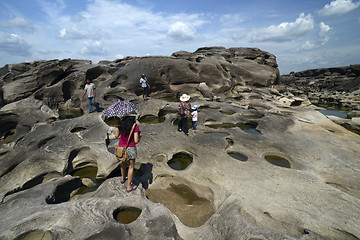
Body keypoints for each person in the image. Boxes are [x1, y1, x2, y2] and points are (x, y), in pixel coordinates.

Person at [114, 116, 140, 193]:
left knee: (123, 164)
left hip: (121, 147)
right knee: (131, 167)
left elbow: (116, 135)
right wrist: (139, 137)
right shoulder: (135, 126)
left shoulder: (120, 124)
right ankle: (129, 186)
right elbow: (136, 140)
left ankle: (122, 178)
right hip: (131, 148)